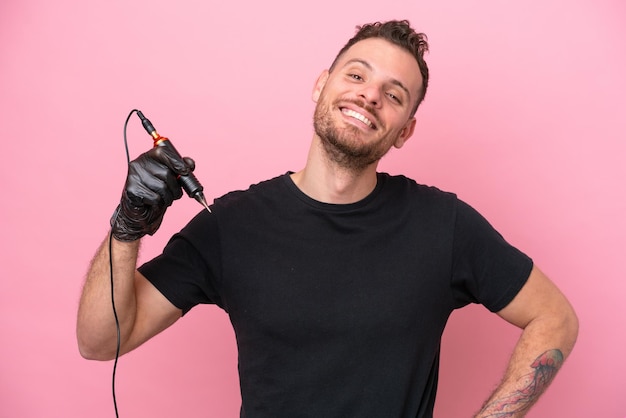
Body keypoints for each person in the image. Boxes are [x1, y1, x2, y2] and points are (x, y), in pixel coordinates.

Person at [77, 20, 579, 418]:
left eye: (394, 94)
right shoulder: (232, 224)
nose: (369, 95)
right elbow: (100, 340)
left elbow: (555, 318)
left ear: (405, 130)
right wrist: (128, 222)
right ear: (321, 85)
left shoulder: (443, 225)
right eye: (356, 75)